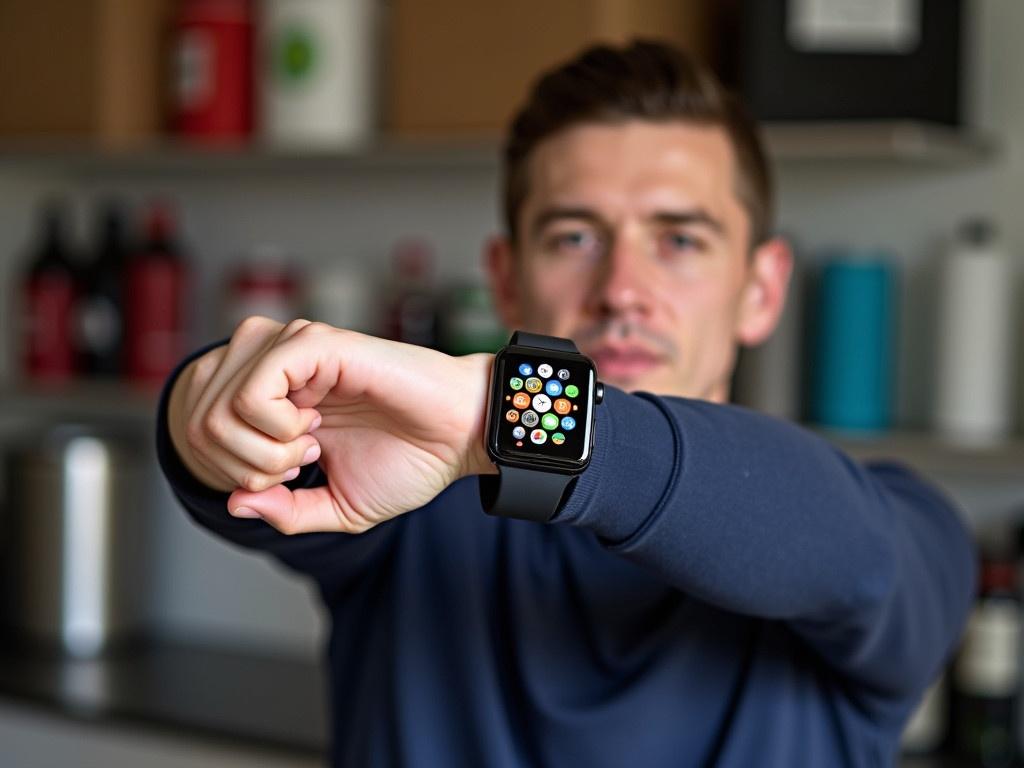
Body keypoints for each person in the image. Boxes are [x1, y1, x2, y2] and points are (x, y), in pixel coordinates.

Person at [157, 40, 975, 767]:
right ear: (507, 277)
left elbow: (853, 558)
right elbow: (225, 444)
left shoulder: (889, 529)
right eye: (574, 238)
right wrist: (213, 411)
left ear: (761, 290)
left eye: (679, 240)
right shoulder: (407, 498)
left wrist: (503, 412)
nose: (622, 290)